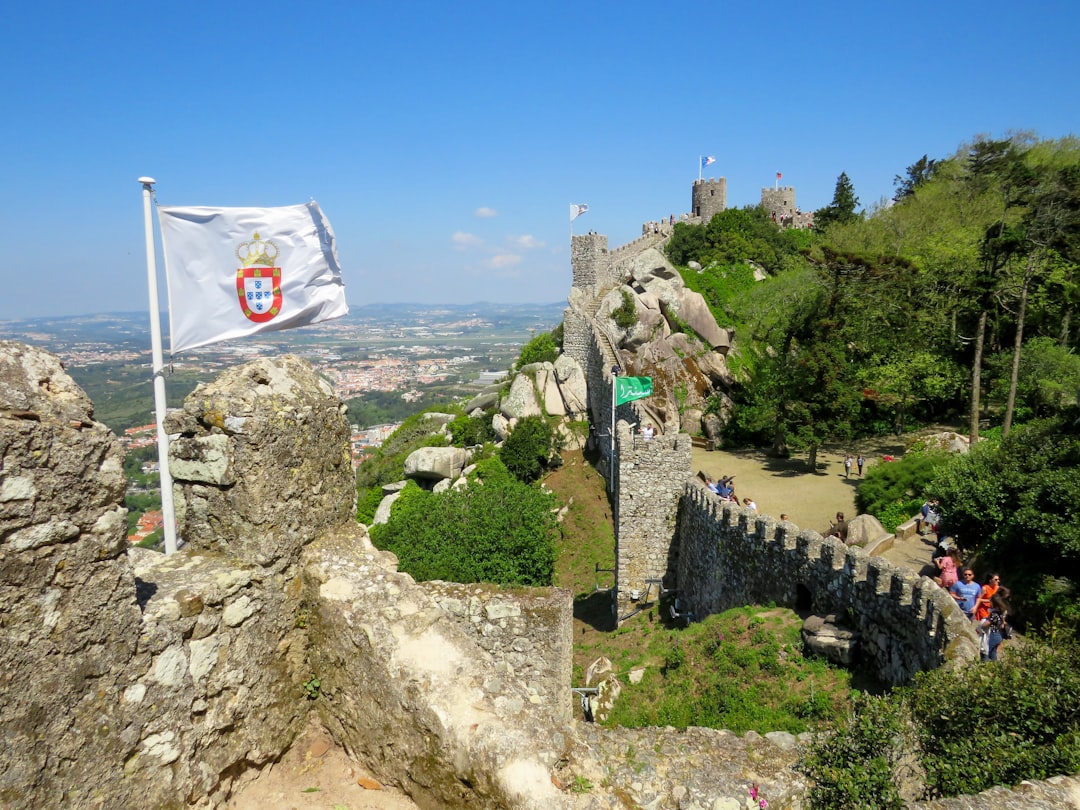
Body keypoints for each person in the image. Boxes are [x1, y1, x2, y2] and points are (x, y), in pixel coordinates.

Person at [979, 592, 1010, 662]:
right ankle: (994, 668)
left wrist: (981, 624)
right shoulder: (1002, 612)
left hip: (993, 635)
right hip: (999, 635)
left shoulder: (994, 613)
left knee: (986, 652)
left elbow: (987, 623)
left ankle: (985, 667)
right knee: (993, 654)